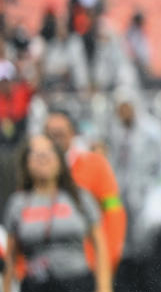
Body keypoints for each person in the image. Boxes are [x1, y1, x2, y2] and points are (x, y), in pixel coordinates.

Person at [2, 134, 113, 292]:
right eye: (36, 155)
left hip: (77, 287)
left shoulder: (78, 197)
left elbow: (100, 244)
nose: (43, 159)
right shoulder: (18, 203)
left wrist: (104, 288)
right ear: (26, 163)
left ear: (59, 161)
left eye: (48, 154)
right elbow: (11, 254)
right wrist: (8, 291)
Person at [105, 90, 161, 292]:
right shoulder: (116, 134)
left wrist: (158, 210)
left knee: (155, 279)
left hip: (150, 219)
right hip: (124, 222)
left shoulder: (153, 132)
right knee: (130, 281)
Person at [43, 109, 127, 272]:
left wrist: (108, 258)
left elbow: (113, 210)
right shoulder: (36, 169)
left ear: (72, 133)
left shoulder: (94, 165)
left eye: (60, 133)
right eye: (50, 134)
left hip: (86, 263)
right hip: (46, 267)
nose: (55, 140)